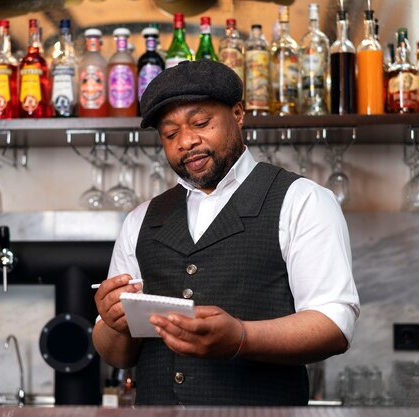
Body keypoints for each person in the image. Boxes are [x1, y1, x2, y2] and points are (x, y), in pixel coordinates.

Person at [92, 59, 359, 406]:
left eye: (200, 122)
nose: (186, 141)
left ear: (238, 113)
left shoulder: (302, 200)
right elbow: (118, 356)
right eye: (170, 134)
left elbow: (334, 325)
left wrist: (241, 337)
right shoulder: (141, 219)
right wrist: (113, 323)